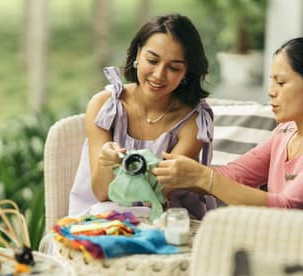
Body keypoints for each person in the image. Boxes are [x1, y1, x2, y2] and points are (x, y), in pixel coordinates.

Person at [153, 37, 303, 214]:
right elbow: (235, 175)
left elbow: (288, 208)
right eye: (272, 82)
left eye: (281, 83)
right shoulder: (286, 132)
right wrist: (168, 172)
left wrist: (202, 177)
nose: (271, 91)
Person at [68, 14, 215, 218]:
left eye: (174, 67)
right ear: (137, 54)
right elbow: (102, 193)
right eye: (152, 60)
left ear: (187, 72)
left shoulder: (194, 121)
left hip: (164, 216)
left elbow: (156, 194)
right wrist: (107, 162)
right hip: (103, 215)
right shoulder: (104, 106)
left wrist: (120, 164)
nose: (158, 75)